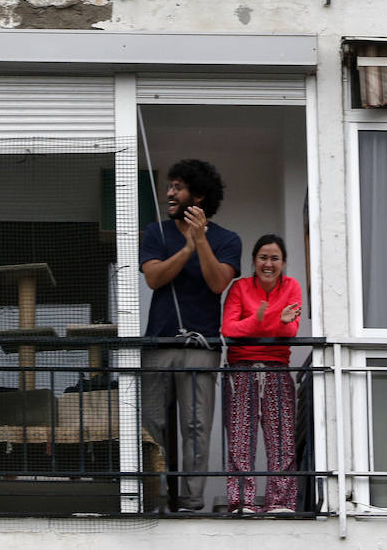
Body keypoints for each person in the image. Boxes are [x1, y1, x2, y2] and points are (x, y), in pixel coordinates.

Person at [139, 159, 241, 512]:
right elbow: (153, 278)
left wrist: (201, 242)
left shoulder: (227, 239)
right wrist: (186, 247)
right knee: (153, 423)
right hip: (159, 343)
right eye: (169, 185)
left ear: (197, 195)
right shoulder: (156, 233)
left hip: (202, 346)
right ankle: (155, 497)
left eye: (177, 187)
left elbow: (217, 283)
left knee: (196, 425)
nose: (169, 192)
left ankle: (191, 500)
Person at [221, 234, 302, 515]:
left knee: (281, 438)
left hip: (277, 369)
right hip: (241, 369)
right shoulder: (239, 287)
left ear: (284, 262)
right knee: (240, 438)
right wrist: (267, 320)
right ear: (254, 261)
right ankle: (241, 503)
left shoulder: (292, 287)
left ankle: (280, 502)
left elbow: (290, 332)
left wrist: (255, 323)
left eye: (275, 258)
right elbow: (229, 330)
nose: (269, 263)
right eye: (263, 257)